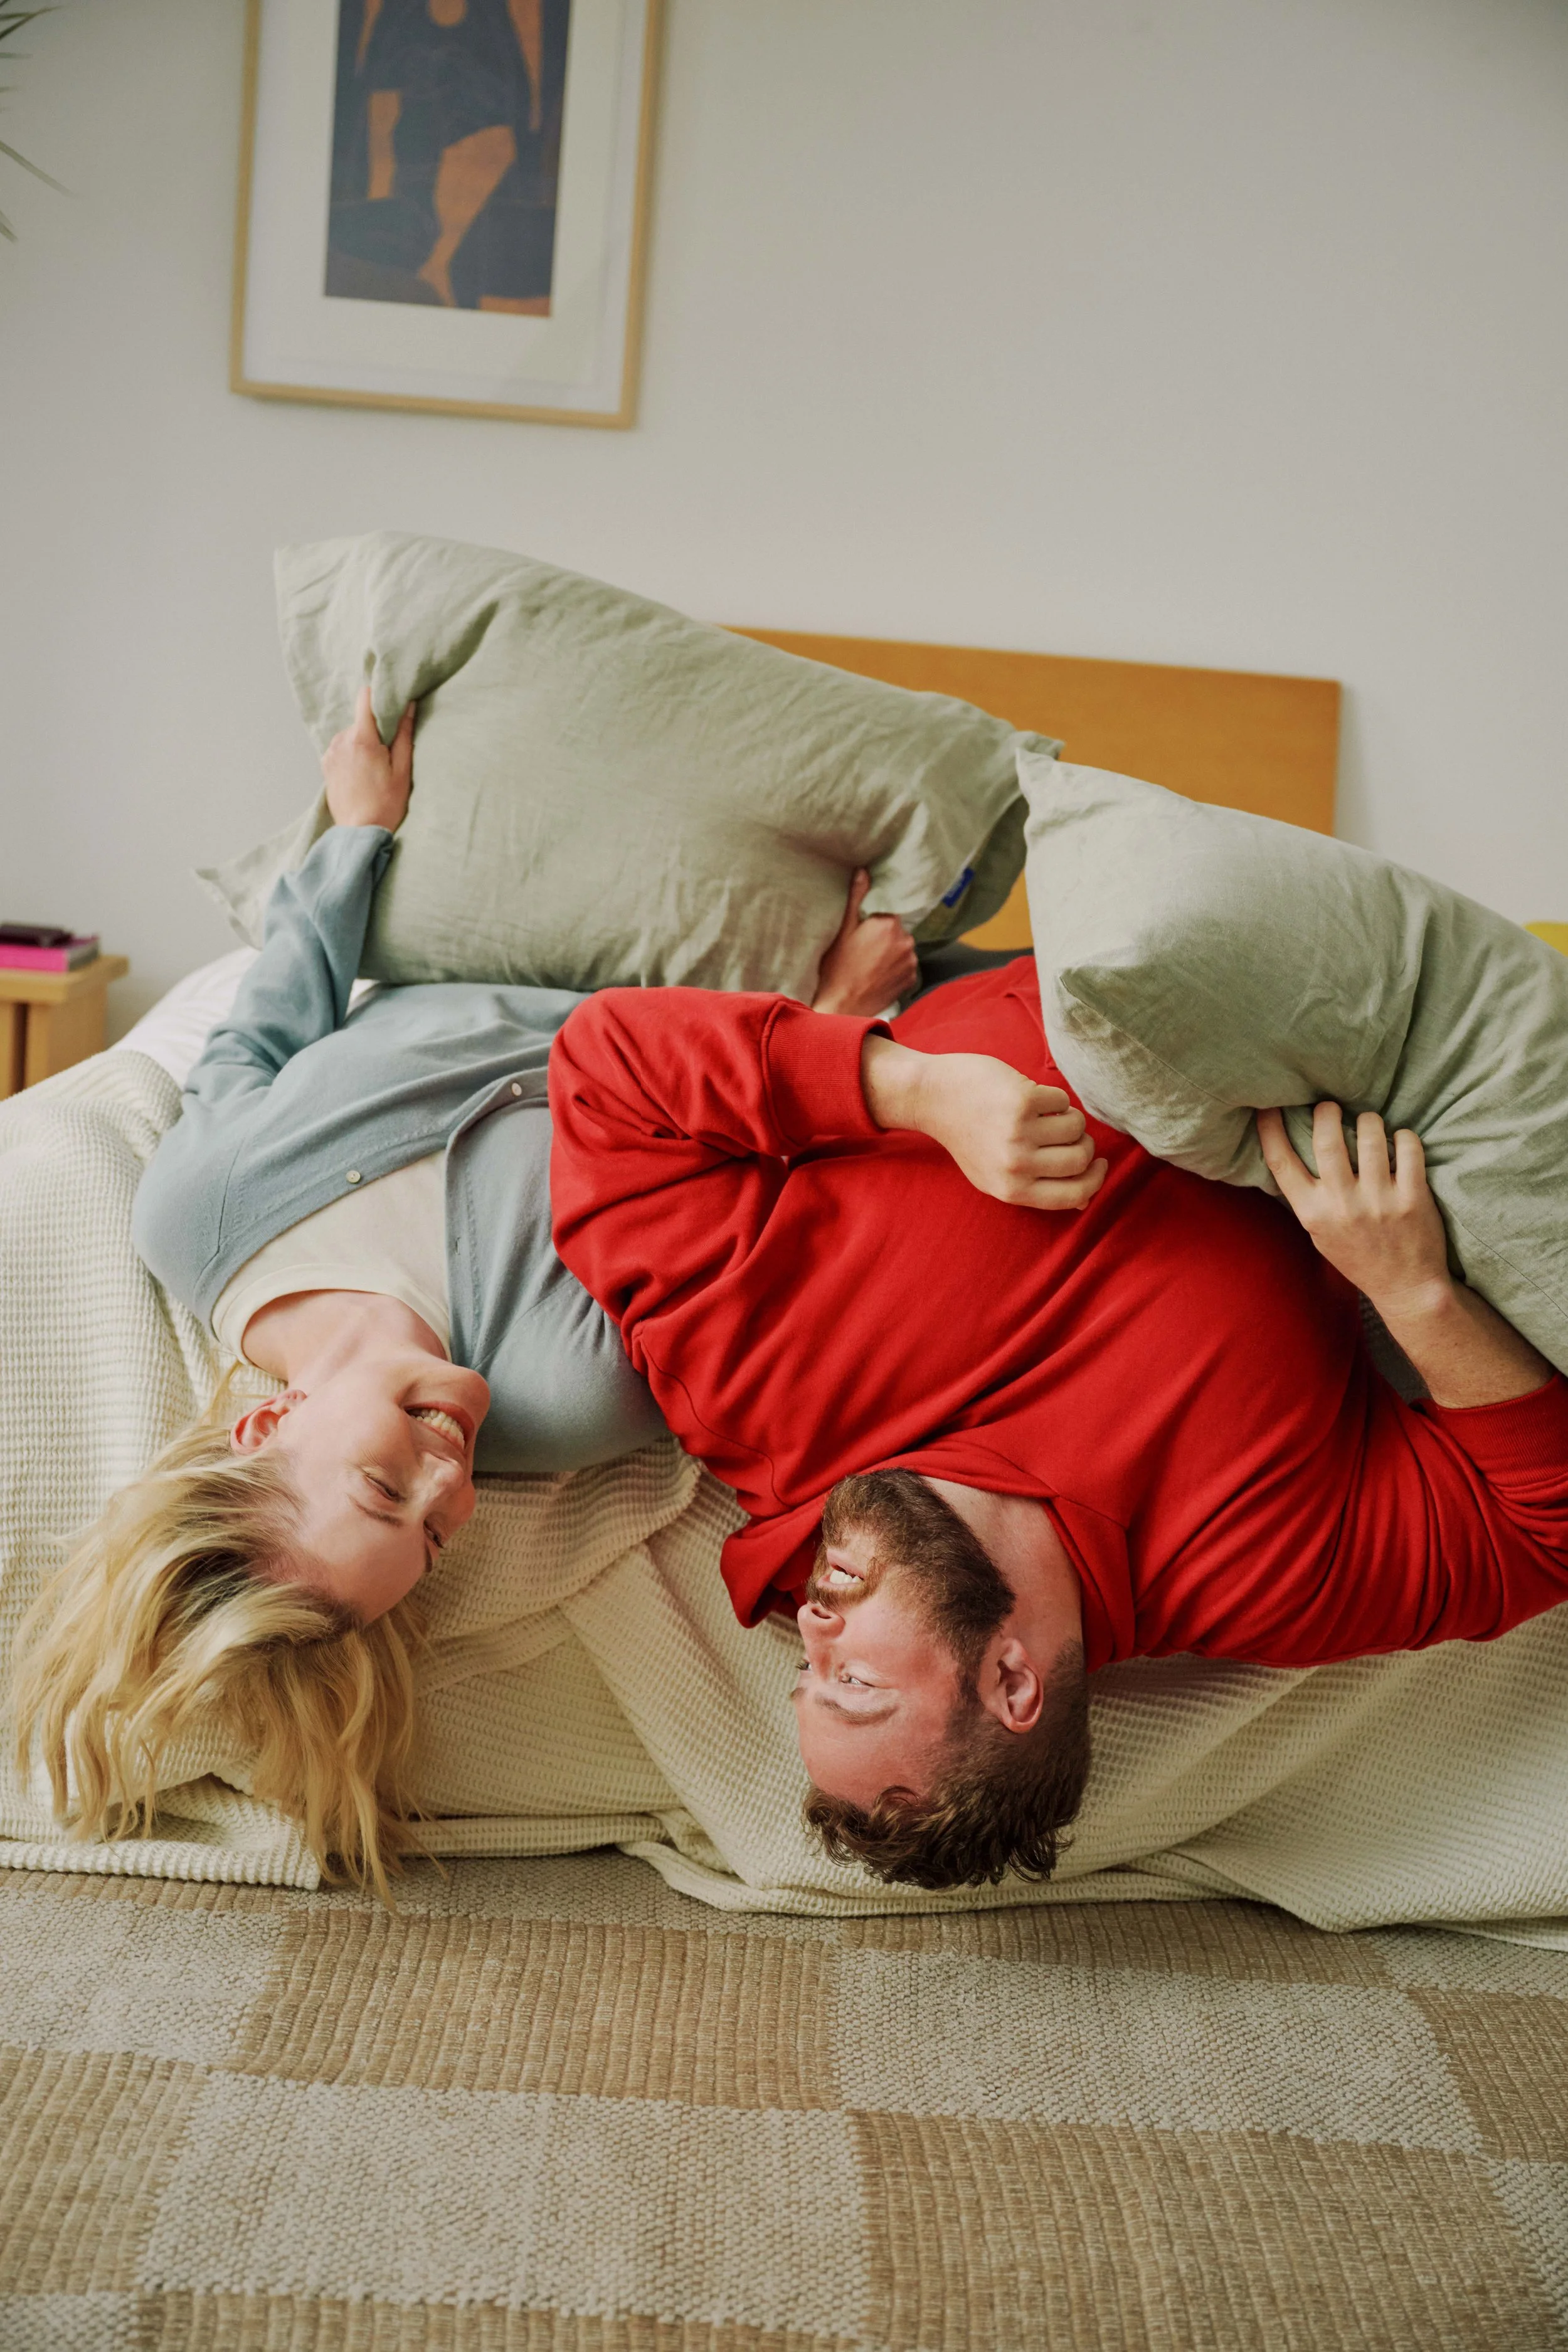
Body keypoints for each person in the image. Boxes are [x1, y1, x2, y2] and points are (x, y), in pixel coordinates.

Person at [8, 691, 917, 1894]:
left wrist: (355, 832)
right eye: (436, 1535)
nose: (452, 1482)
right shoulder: (575, 1394)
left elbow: (268, 1023)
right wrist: (836, 1020)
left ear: (266, 1422)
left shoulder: (198, 1215)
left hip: (506, 915)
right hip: (715, 990)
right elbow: (756, 1198)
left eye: (385, 1487)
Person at [546, 959, 1568, 1889]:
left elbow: (605, 1076)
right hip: (1323, 1006)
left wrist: (915, 1089)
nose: (810, 1628)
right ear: (1012, 1681)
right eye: (849, 1679)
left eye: (804, 1674)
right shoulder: (1264, 1571)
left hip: (1118, 949)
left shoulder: (759, 1400)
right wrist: (1413, 1288)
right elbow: (1540, 1531)